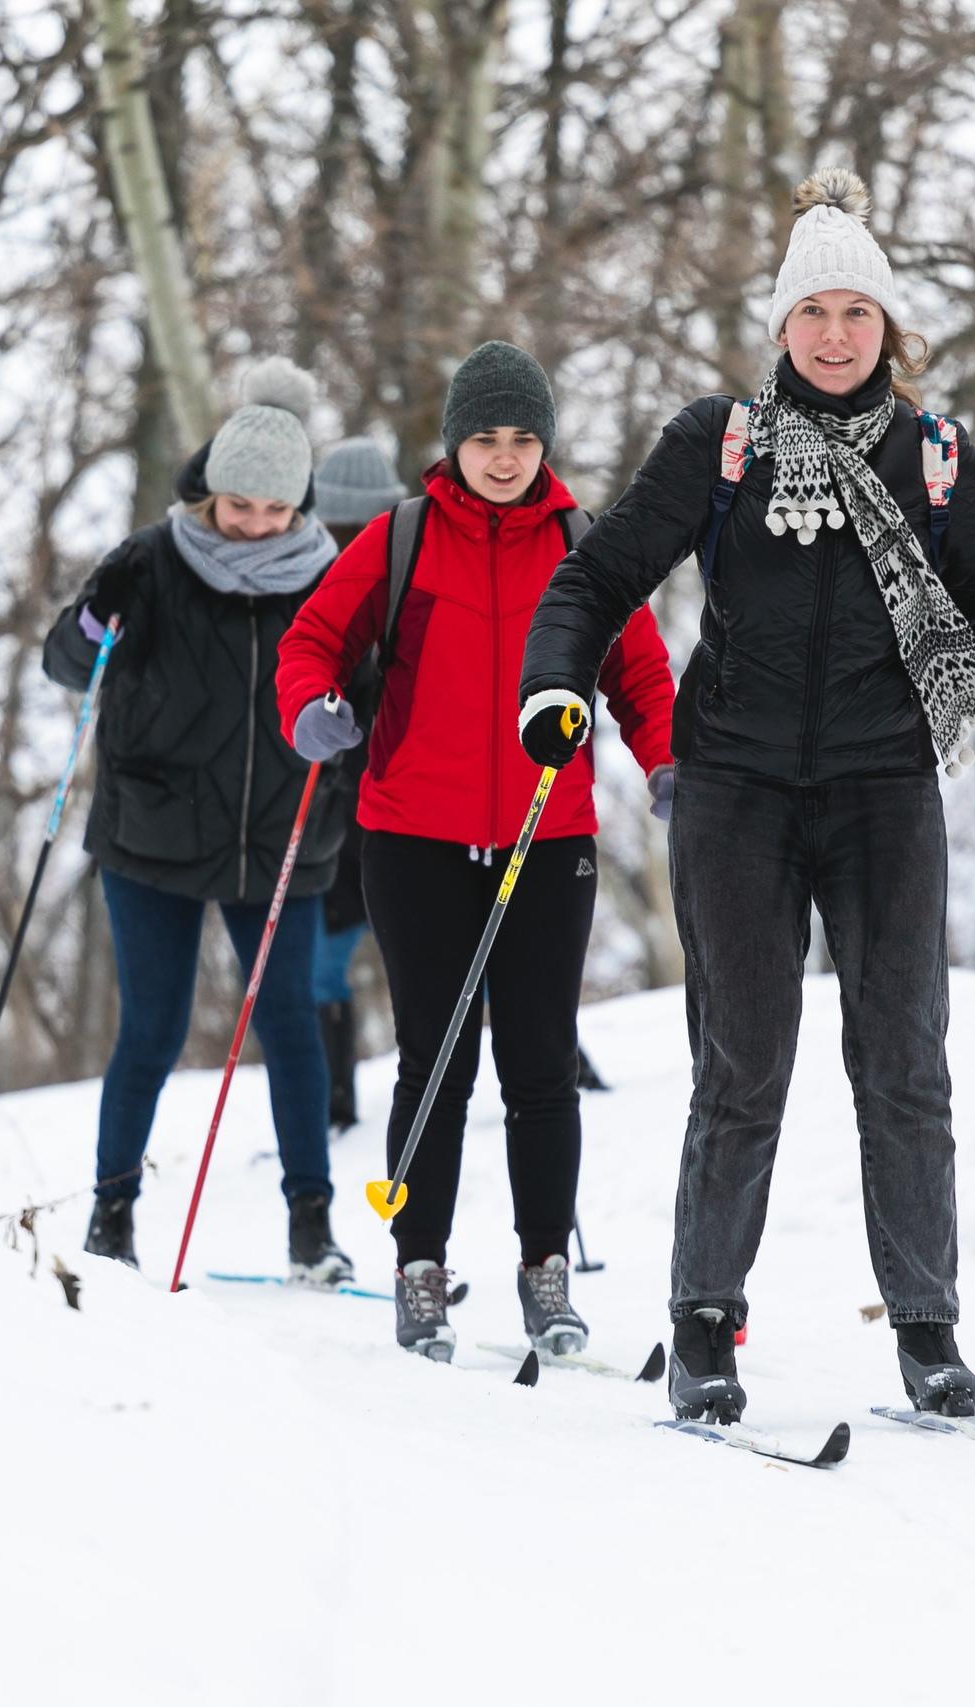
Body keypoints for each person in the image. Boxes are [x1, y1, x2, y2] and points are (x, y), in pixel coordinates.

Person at [517, 170, 975, 1422]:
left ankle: (927, 1329)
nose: (838, 336)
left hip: (881, 791)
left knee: (903, 1063)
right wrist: (552, 688)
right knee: (742, 1066)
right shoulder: (719, 443)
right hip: (735, 791)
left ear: (889, 331)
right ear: (782, 328)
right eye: (816, 313)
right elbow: (594, 580)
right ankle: (704, 1326)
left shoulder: (938, 458)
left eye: (860, 314)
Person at [278, 341, 676, 1362]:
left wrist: (669, 762)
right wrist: (311, 712)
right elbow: (311, 641)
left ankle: (546, 1272)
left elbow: (639, 673)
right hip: (412, 835)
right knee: (435, 1059)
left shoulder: (585, 544)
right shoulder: (398, 538)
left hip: (549, 837)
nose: (503, 457)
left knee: (539, 1064)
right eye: (485, 438)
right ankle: (421, 1268)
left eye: (522, 438)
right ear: (454, 443)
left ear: (545, 443)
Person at [42, 360, 351, 1283]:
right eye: (238, 506)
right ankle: (113, 1213)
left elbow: (370, 685)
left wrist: (352, 721)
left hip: (280, 834)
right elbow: (68, 661)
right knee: (154, 1026)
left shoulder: (330, 575)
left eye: (273, 509)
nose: (254, 524)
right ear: (212, 492)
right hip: (154, 836)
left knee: (291, 1022)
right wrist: (92, 626)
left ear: (298, 506)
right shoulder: (149, 559)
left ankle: (311, 1224)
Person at [305, 436, 412, 1131]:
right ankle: (332, 1102)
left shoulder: (412, 583)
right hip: (331, 817)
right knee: (322, 961)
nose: (349, 542)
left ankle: (563, 1066)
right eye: (338, 528)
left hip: (407, 807)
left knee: (469, 951)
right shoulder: (309, 591)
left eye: (364, 525)